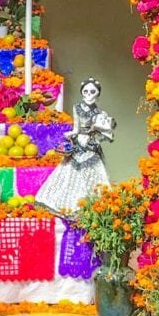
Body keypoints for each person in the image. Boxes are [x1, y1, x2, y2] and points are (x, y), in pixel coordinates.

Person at [36, 77, 115, 214]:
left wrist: (97, 136)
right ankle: (69, 206)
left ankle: (91, 208)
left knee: (92, 175)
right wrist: (71, 134)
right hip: (78, 143)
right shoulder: (77, 108)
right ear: (82, 92)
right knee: (69, 174)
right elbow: (76, 128)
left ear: (98, 93)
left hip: (90, 147)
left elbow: (106, 135)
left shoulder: (101, 114)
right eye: (86, 91)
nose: (89, 94)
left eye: (93, 92)